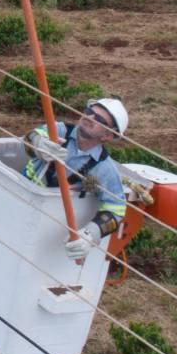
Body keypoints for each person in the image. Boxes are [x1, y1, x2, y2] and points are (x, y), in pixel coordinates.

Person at [23, 97, 130, 262]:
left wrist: (90, 235)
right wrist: (39, 144)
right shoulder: (58, 131)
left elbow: (116, 209)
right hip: (21, 193)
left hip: (52, 221)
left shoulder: (104, 169)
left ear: (108, 135)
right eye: (89, 112)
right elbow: (30, 137)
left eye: (99, 119)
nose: (90, 117)